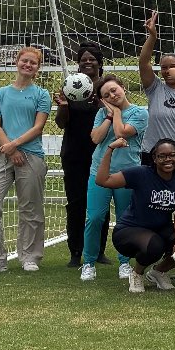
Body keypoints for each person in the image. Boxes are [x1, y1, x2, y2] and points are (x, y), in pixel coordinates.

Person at [0, 46, 52, 275]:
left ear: (38, 68)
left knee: (30, 208)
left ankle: (29, 257)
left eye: (33, 63)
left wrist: (16, 145)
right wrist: (9, 149)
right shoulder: (0, 94)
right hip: (4, 154)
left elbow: (38, 127)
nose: (28, 65)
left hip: (31, 155)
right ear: (17, 62)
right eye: (24, 61)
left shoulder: (41, 95)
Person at [94, 137, 175, 294]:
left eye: (172, 155)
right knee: (155, 245)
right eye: (162, 156)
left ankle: (158, 272)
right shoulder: (141, 173)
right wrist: (110, 149)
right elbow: (102, 180)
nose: (168, 159)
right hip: (130, 230)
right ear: (154, 158)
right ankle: (137, 273)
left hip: (160, 228)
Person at [81, 74, 148, 282]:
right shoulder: (102, 114)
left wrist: (117, 112)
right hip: (99, 172)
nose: (112, 95)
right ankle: (89, 263)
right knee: (94, 217)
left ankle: (124, 262)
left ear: (123, 87)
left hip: (127, 174)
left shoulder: (140, 112)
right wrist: (109, 116)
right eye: (106, 95)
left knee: (125, 219)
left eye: (114, 90)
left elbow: (122, 132)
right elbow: (95, 138)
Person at [53, 41, 105, 269]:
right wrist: (64, 106)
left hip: (101, 155)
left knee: (100, 204)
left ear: (99, 63)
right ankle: (75, 252)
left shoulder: (106, 88)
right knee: (76, 203)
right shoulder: (70, 87)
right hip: (74, 154)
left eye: (92, 59)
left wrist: (101, 101)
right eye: (83, 59)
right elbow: (61, 123)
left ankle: (98, 251)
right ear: (78, 63)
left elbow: (114, 115)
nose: (87, 62)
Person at [139, 11, 175, 168]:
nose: (168, 71)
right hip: (152, 154)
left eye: (173, 67)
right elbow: (144, 63)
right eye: (164, 67)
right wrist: (152, 37)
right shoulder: (155, 88)